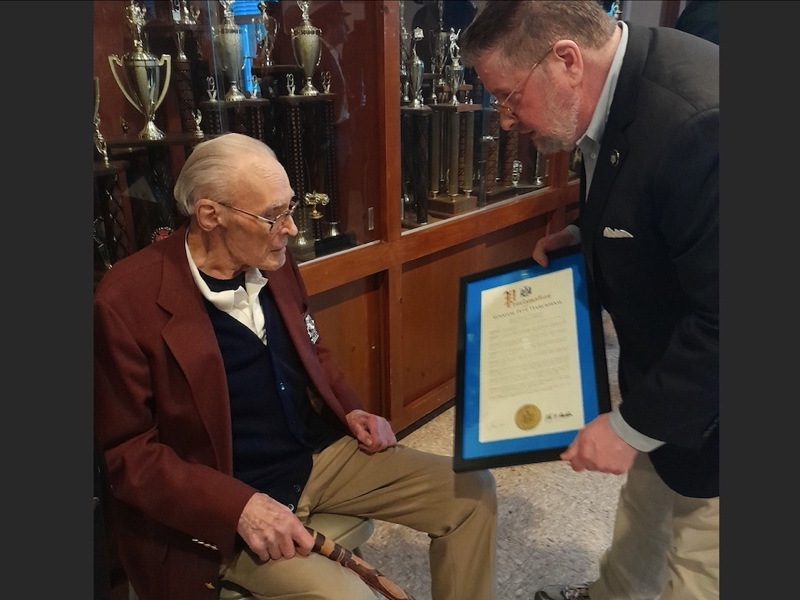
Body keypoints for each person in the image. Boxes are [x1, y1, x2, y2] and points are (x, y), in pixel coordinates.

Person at [94, 132, 498, 600]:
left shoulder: (272, 258)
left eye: (289, 207)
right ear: (209, 215)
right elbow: (128, 456)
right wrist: (238, 507)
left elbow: (312, 347)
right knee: (351, 597)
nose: (290, 227)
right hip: (225, 497)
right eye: (272, 215)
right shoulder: (127, 299)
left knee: (471, 491)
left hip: (313, 456)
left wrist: (350, 409)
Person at [459, 3, 718, 600]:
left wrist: (629, 430)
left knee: (703, 559)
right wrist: (590, 237)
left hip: (718, 398)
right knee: (646, 514)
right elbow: (658, 204)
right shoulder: (614, 86)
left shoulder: (699, 124)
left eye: (507, 96)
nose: (503, 120)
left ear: (566, 60)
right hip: (670, 378)